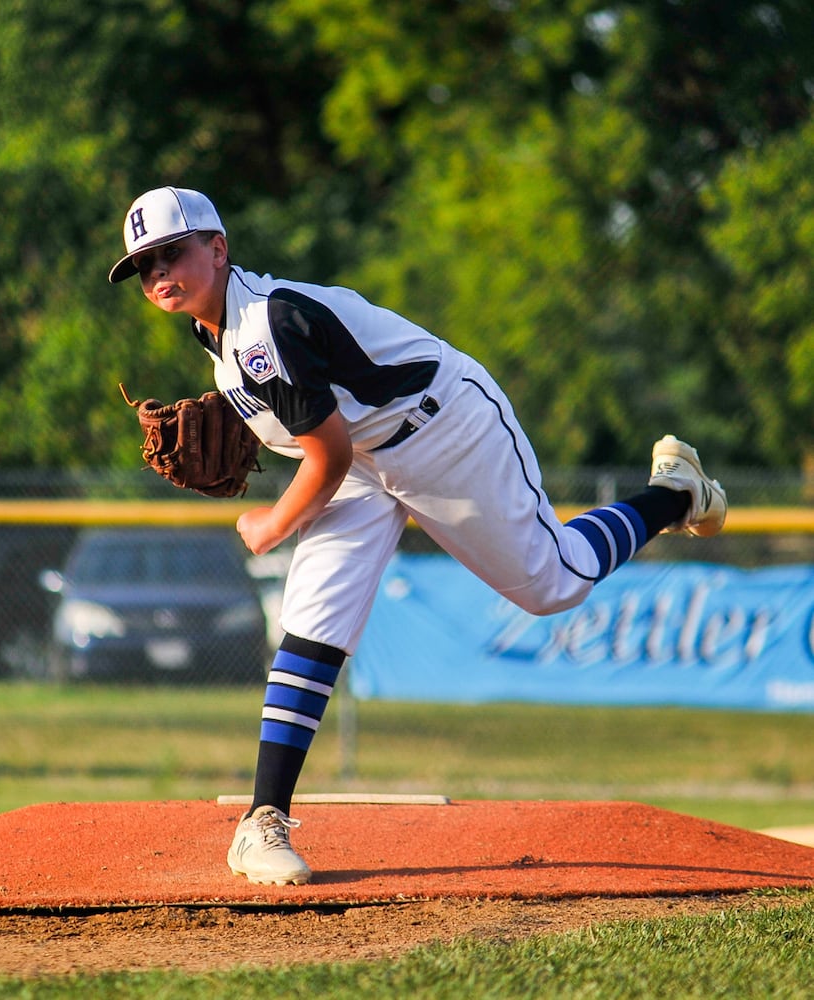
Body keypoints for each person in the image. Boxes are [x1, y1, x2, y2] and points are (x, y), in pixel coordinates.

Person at [109, 186, 727, 886]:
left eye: (172, 251)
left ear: (217, 248)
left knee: (555, 583)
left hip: (443, 429)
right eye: (142, 265)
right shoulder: (216, 330)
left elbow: (328, 453)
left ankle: (674, 494)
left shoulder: (262, 328)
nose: (158, 272)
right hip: (364, 461)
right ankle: (262, 820)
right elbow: (329, 433)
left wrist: (274, 520)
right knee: (311, 618)